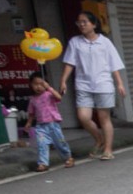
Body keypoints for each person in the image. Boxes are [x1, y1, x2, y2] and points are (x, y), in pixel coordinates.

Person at [60, 11, 125, 161]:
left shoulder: (105, 42)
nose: (81, 25)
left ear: (94, 24)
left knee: (104, 118)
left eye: (85, 22)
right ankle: (99, 138)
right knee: (83, 117)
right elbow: (70, 63)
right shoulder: (75, 42)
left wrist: (120, 83)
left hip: (103, 84)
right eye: (79, 22)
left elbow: (114, 65)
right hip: (83, 84)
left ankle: (108, 149)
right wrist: (63, 80)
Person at [23, 72, 73, 172]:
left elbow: (59, 97)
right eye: (35, 84)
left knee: (60, 143)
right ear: (31, 85)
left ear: (45, 84)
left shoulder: (49, 94)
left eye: (41, 84)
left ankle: (68, 158)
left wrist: (49, 88)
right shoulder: (33, 99)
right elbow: (31, 113)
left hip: (53, 123)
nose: (38, 87)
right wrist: (29, 123)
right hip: (41, 126)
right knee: (42, 144)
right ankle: (43, 163)